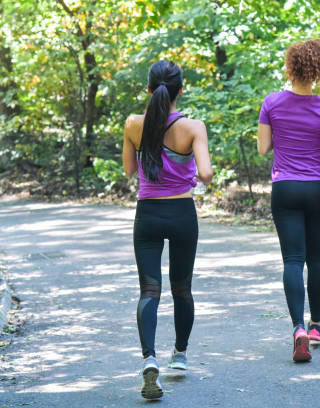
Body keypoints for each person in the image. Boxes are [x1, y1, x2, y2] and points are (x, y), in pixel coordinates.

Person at [122, 60, 213, 399]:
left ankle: (149, 359)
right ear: (181, 90)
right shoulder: (193, 127)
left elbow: (130, 170)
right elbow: (205, 173)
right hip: (181, 213)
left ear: (149, 90)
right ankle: (180, 355)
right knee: (182, 289)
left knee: (149, 290)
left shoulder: (133, 125)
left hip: (148, 214)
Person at [257, 39, 320, 362]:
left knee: (292, 261)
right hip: (319, 188)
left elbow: (263, 149)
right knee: (316, 259)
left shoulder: (271, 103)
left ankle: (297, 327)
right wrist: (316, 150)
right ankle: (316, 325)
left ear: (290, 66)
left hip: (286, 188)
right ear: (319, 69)